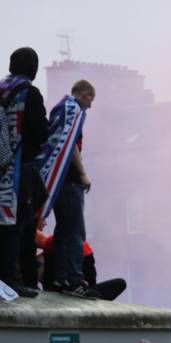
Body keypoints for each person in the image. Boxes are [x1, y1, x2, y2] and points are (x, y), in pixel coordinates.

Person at [0, 47, 49, 298]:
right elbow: (41, 132)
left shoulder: (1, 88)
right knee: (17, 225)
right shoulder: (29, 92)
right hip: (18, 169)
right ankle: (12, 278)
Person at [42, 80, 96, 298]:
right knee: (75, 231)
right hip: (69, 179)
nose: (90, 105)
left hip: (56, 183)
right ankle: (74, 280)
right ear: (81, 94)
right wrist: (83, 173)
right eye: (89, 99)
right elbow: (70, 143)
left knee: (63, 229)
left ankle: (59, 277)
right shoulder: (73, 110)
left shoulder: (59, 109)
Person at [38, 229, 126, 300]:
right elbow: (92, 283)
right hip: (77, 291)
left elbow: (47, 281)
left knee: (120, 283)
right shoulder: (83, 247)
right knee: (119, 284)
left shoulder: (51, 243)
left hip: (69, 290)